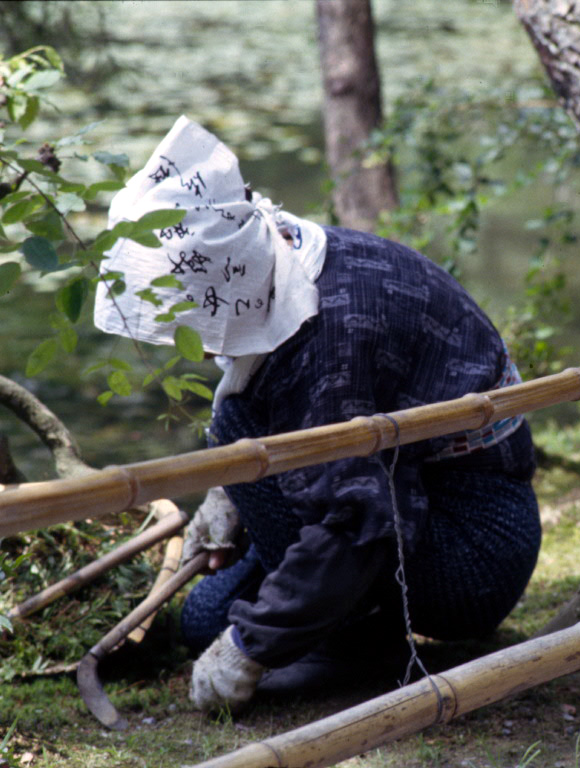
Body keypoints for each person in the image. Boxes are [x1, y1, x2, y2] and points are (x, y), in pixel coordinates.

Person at [93, 116, 541, 713]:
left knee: (236, 435)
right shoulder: (287, 257)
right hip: (401, 490)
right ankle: (338, 620)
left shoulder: (329, 338)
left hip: (473, 545)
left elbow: (360, 523)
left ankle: (356, 637)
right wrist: (235, 499)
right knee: (202, 618)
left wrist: (248, 649)